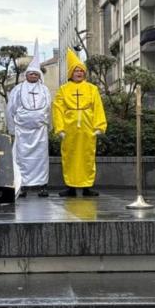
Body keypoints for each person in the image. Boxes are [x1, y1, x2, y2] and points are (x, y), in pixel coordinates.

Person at [53, 49, 106, 197]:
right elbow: (58, 109)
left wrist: (99, 126)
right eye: (76, 70)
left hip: (88, 127)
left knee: (88, 156)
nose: (79, 73)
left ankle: (87, 186)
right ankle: (70, 186)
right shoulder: (63, 90)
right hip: (69, 129)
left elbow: (98, 107)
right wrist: (60, 128)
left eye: (81, 71)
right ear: (71, 73)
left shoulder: (92, 88)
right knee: (69, 156)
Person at [6, 41, 51, 198]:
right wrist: (12, 129)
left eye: (36, 74)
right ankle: (22, 185)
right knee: (21, 159)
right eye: (31, 73)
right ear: (26, 75)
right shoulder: (17, 90)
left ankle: (42, 185)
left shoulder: (45, 91)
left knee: (41, 159)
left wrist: (49, 126)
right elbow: (10, 110)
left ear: (39, 75)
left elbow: (49, 109)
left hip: (40, 132)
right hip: (22, 131)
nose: (33, 76)